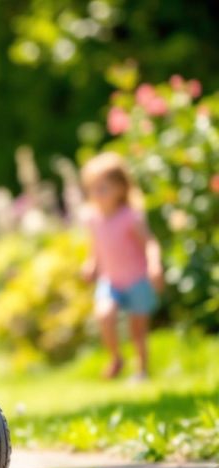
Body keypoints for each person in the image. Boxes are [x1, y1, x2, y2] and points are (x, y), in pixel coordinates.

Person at [80, 152, 162, 380]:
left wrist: (154, 265)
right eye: (92, 188)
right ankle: (116, 357)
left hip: (137, 279)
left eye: (103, 188)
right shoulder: (93, 218)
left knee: (137, 330)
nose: (96, 194)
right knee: (104, 314)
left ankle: (142, 370)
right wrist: (91, 264)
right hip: (111, 280)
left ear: (120, 189)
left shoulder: (129, 217)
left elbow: (150, 243)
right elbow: (96, 247)